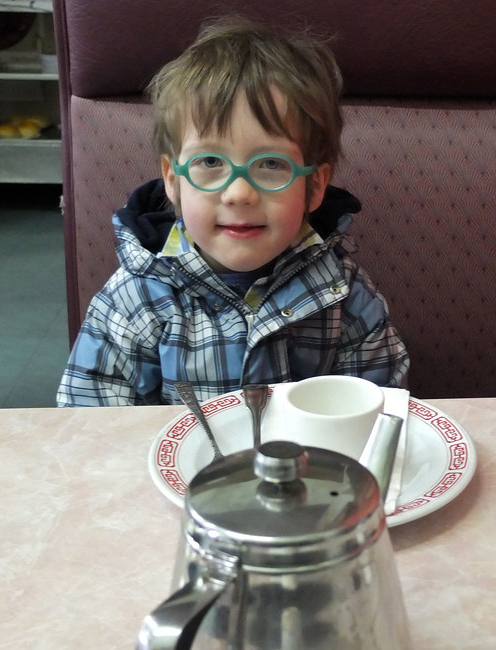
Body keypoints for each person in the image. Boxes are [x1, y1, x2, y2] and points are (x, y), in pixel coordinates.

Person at [56, 17, 409, 407]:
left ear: (315, 186)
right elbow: (89, 422)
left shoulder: (344, 295)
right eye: (210, 161)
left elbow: (381, 415)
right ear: (173, 180)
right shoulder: (135, 299)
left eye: (272, 165)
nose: (239, 193)